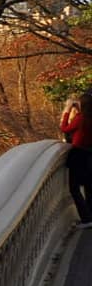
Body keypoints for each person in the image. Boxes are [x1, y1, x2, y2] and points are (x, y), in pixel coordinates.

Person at [60, 91, 92, 226]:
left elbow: (64, 128)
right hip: (90, 154)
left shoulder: (81, 118)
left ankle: (86, 218)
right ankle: (90, 216)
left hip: (79, 155)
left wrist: (67, 110)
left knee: (74, 188)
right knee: (90, 187)